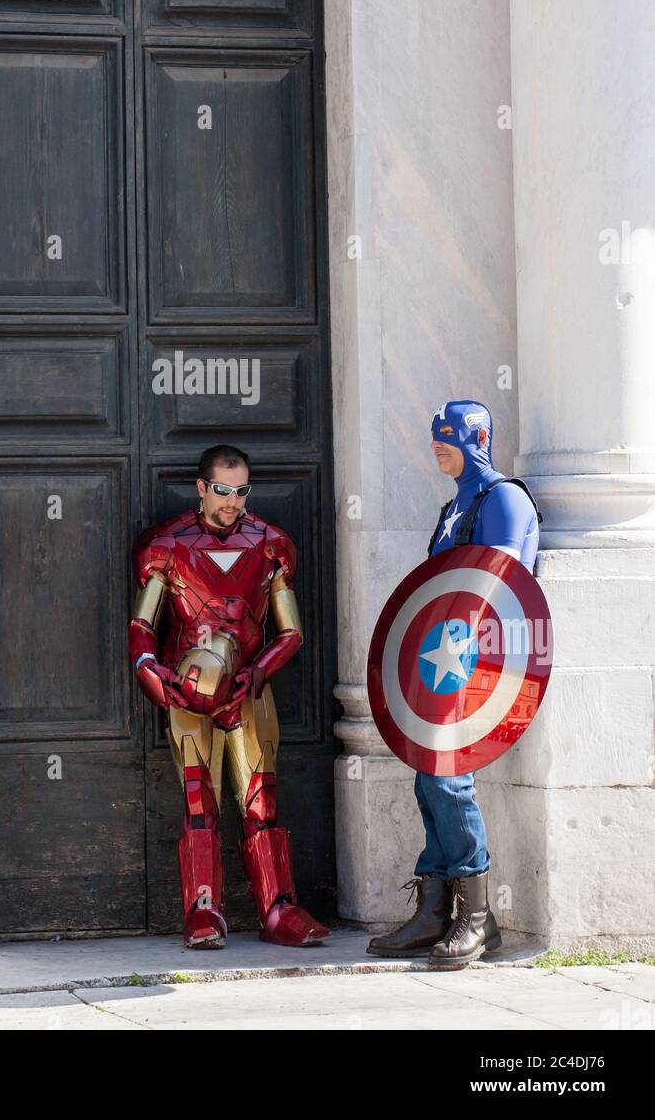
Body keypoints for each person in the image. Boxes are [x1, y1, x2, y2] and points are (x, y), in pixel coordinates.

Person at [129, 444, 329, 950]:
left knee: (261, 805)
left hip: (249, 691)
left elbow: (291, 633)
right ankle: (203, 911)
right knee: (200, 804)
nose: (232, 502)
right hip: (188, 692)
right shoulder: (167, 546)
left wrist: (258, 672)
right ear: (201, 488)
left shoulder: (270, 545)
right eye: (222, 490)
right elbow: (142, 624)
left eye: (241, 491)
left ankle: (279, 910)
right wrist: (150, 671)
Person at [367, 399, 540, 969]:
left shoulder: (503, 498)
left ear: (478, 438)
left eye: (448, 437)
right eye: (434, 436)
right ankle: (435, 908)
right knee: (427, 777)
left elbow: (498, 583)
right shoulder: (453, 506)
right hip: (439, 657)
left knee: (449, 778)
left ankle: (477, 915)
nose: (436, 445)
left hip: (480, 659)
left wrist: (457, 653)